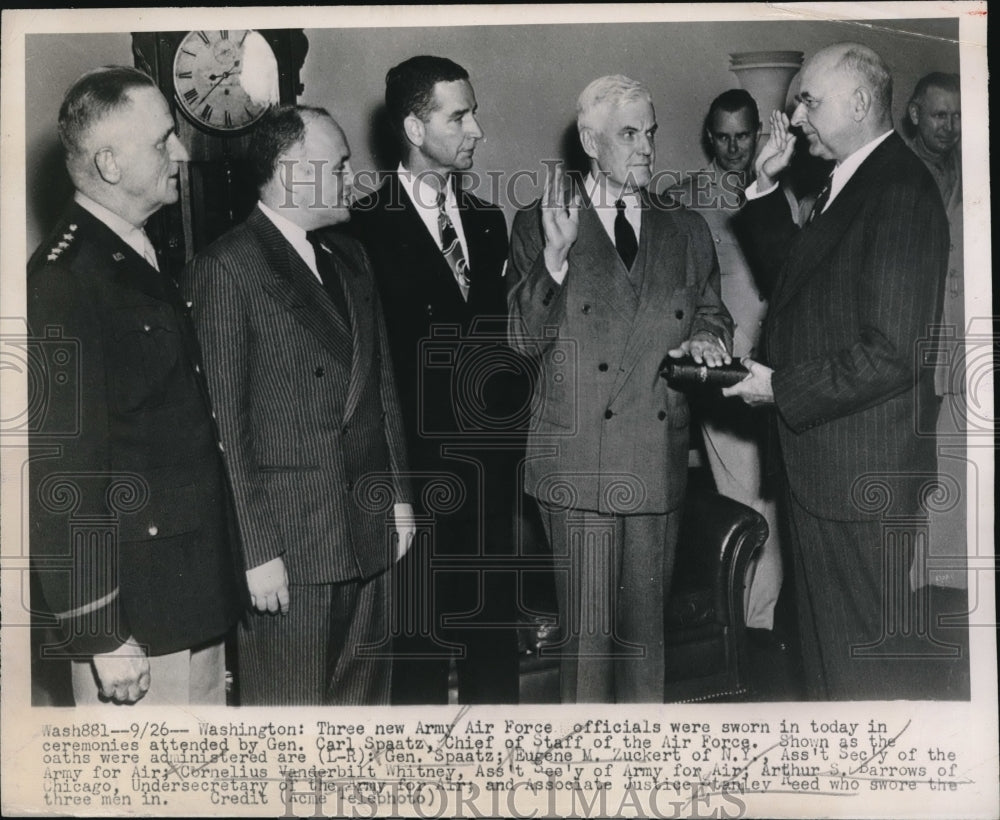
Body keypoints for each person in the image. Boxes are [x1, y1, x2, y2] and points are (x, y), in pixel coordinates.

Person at [727, 43, 951, 699]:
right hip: (831, 469)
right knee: (832, 659)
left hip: (860, 480)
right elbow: (803, 290)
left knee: (859, 671)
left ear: (858, 102)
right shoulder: (853, 180)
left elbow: (895, 350)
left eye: (808, 101)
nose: (794, 118)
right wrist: (766, 189)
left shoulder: (900, 190)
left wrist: (778, 386)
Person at [508, 74, 732, 703]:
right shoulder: (543, 220)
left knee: (645, 646)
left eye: (651, 133)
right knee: (588, 648)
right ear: (589, 141)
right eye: (629, 134)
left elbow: (711, 312)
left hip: (654, 458)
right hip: (578, 461)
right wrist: (553, 261)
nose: (646, 148)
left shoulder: (684, 228)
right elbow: (522, 340)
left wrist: (708, 341)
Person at [27, 66, 245, 706]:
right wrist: (99, 629)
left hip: (184, 589)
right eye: (163, 141)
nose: (181, 153)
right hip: (135, 617)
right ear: (110, 164)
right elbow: (60, 470)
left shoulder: (134, 250)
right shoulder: (62, 282)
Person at [182, 105, 414, 705]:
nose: (352, 180)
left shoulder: (351, 257)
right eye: (338, 167)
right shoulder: (226, 268)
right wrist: (256, 551)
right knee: (291, 728)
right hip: (289, 551)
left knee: (363, 725)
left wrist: (402, 499)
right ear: (291, 172)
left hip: (368, 531)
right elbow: (224, 429)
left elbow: (382, 387)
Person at [349, 56, 525, 705]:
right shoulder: (359, 230)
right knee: (415, 660)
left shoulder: (486, 222)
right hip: (412, 485)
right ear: (414, 128)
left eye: (473, 112)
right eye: (459, 115)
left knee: (492, 651)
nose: (476, 128)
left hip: (489, 477)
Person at [667, 89, 785, 635]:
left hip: (786, 372)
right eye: (723, 137)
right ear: (708, 137)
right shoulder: (682, 200)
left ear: (759, 131)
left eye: (745, 135)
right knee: (747, 503)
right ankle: (749, 631)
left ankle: (764, 625)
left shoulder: (786, 192)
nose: (735, 147)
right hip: (729, 374)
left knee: (781, 503)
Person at [903, 72, 965, 592]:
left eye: (959, 116)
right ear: (915, 114)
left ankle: (950, 579)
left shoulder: (969, 172)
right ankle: (916, 584)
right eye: (940, 115)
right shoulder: (900, 175)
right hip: (916, 348)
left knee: (956, 468)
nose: (950, 127)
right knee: (919, 470)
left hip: (962, 346)